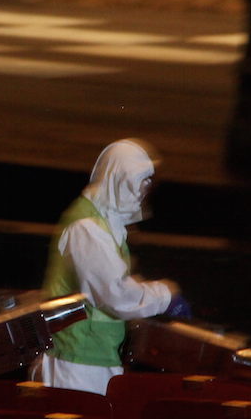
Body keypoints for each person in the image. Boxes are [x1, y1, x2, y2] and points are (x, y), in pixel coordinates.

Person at [35, 139, 186, 395]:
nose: (143, 192)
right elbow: (116, 295)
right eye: (141, 182)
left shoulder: (104, 224)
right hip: (76, 363)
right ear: (121, 179)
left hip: (92, 358)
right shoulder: (87, 228)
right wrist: (164, 296)